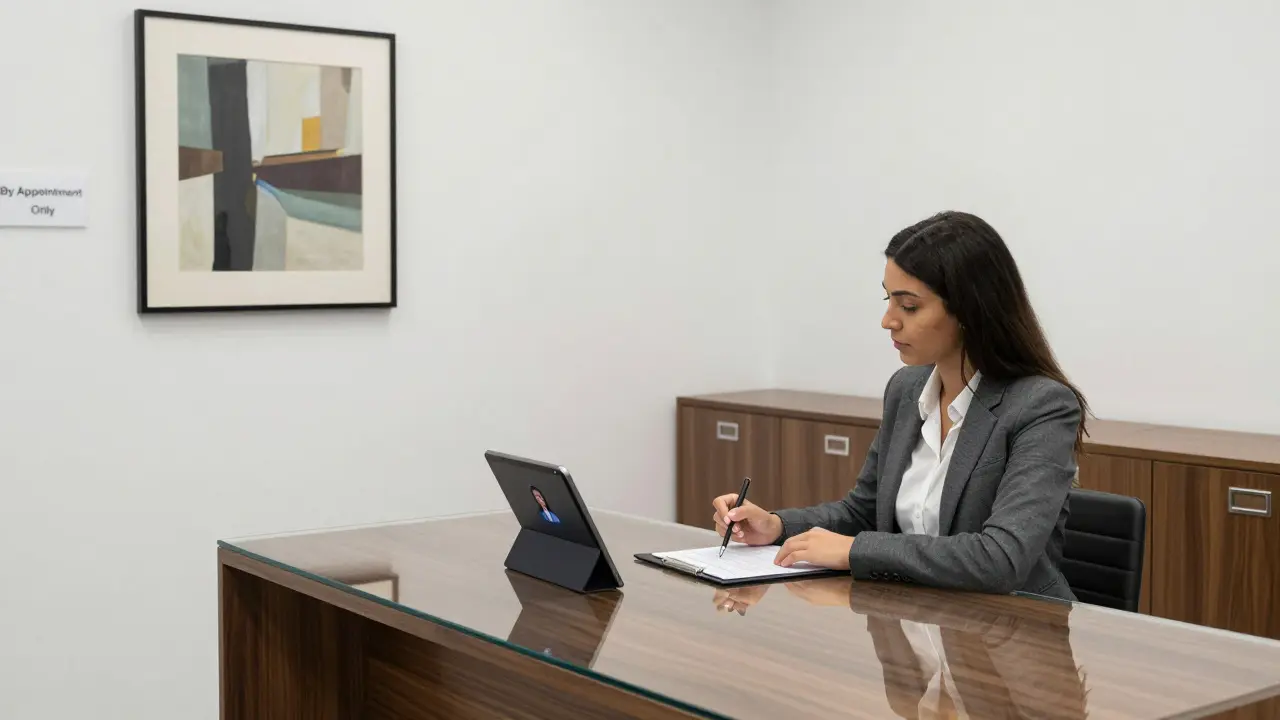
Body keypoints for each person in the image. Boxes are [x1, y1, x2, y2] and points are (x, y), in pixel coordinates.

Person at [712, 211, 1088, 600]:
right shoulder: (906, 389)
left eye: (908, 306)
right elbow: (863, 513)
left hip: (1013, 627)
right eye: (888, 299)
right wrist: (776, 526)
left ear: (969, 310)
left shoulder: (1041, 406)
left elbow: (1001, 559)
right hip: (915, 615)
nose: (888, 321)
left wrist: (856, 550)